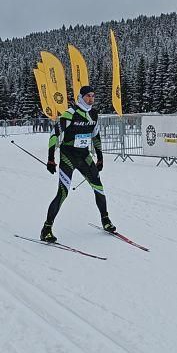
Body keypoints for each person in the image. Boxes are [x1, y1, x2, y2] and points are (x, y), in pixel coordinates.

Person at [40, 85, 115, 243]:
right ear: (81, 97)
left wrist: (100, 157)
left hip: (84, 156)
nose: (91, 99)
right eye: (88, 96)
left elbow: (96, 136)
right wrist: (50, 158)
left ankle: (105, 220)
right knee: (63, 193)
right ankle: (46, 229)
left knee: (99, 188)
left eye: (93, 96)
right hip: (68, 156)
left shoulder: (94, 114)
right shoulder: (70, 113)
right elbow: (54, 134)